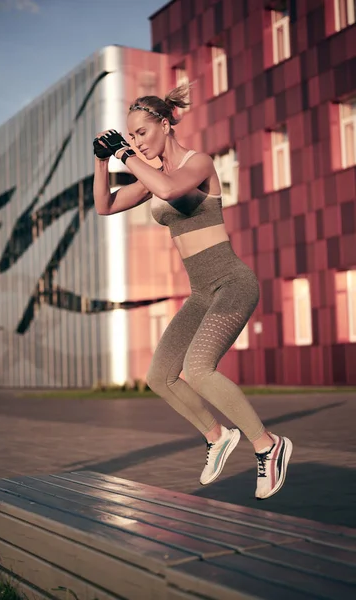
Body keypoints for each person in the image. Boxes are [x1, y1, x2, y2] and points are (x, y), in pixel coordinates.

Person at [92, 85, 292, 500]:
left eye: (141, 133)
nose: (135, 143)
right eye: (129, 137)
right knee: (159, 376)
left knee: (199, 368)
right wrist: (100, 161)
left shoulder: (196, 163)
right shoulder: (152, 177)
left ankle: (267, 445)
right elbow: (104, 206)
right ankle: (217, 437)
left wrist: (124, 156)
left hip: (233, 283)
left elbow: (168, 191)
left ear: (165, 125)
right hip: (202, 293)